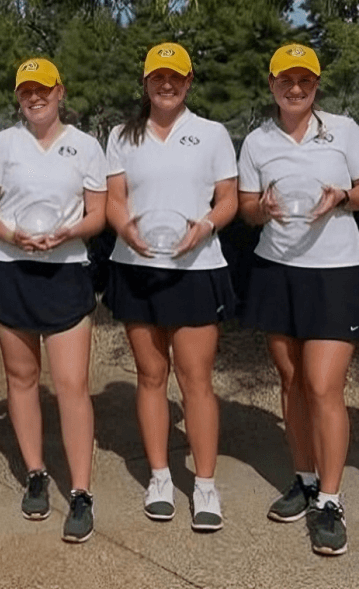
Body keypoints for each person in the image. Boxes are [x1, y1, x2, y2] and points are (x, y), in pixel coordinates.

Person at [238, 43, 359, 556]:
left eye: (305, 81)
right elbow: (246, 208)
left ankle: (330, 499)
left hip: (335, 271)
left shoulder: (343, 130)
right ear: (272, 84)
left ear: (316, 85)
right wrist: (262, 208)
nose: (295, 88)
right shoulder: (257, 140)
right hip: (277, 269)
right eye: (286, 80)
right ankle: (303, 480)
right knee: (292, 382)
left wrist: (342, 197)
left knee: (323, 385)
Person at [0, 58, 107, 543]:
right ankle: (35, 473)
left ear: (59, 91)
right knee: (22, 378)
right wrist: (12, 235)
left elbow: (98, 214)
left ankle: (82, 492)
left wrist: (69, 232)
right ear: (18, 97)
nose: (34, 97)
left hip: (65, 270)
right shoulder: (3, 143)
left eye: (42, 89)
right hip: (10, 267)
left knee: (71, 384)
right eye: (26, 90)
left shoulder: (86, 146)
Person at [105, 42, 238, 532]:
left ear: (189, 81)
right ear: (145, 83)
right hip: (137, 264)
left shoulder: (212, 134)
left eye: (175, 77)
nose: (166, 85)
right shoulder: (122, 135)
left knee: (195, 377)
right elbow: (115, 199)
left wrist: (206, 226)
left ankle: (204, 484)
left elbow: (227, 199)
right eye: (157, 77)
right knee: (150, 374)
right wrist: (125, 229)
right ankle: (160, 477)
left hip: (196, 267)